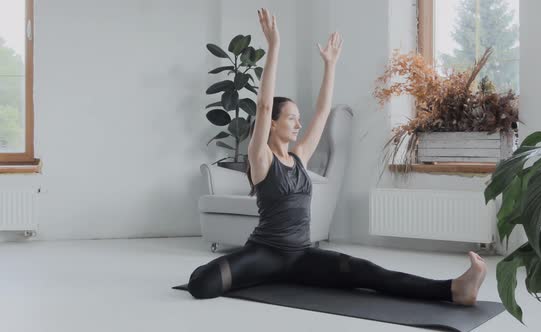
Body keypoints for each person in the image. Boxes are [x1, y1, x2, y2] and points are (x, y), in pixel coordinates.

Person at [187, 8, 487, 306]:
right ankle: (261, 274)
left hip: (303, 257)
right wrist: (274, 46)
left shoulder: (299, 157)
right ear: (273, 124)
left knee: (367, 272)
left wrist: (330, 65)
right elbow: (264, 105)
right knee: (202, 284)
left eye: (297, 118)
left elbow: (321, 112)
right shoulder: (261, 159)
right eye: (291, 118)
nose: (298, 124)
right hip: (264, 253)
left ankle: (454, 289)